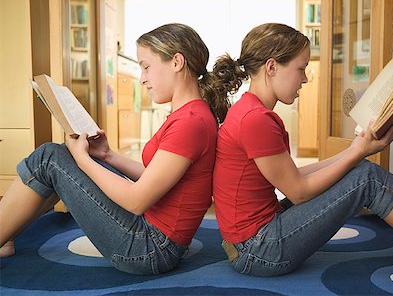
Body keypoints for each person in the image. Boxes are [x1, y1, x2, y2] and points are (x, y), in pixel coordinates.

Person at [212, 22, 393, 277]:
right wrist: (358, 152)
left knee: (358, 170)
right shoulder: (255, 119)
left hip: (251, 242)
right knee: (367, 180)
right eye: (301, 69)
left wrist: (356, 151)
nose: (304, 79)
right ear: (271, 67)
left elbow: (296, 175)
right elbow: (299, 191)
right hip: (259, 250)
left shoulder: (249, 111)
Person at [0, 23, 231, 275]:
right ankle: (6, 234)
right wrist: (107, 155)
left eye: (146, 67)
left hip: (149, 248)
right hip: (154, 237)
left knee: (49, 159)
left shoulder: (190, 122)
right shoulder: (191, 116)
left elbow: (136, 200)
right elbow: (156, 178)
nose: (142, 78)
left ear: (176, 62)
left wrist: (82, 159)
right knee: (62, 157)